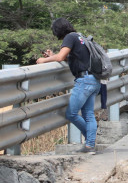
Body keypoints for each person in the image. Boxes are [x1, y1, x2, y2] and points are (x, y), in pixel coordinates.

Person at [36, 18, 101, 154]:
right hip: (94, 79)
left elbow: (60, 58)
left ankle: (91, 140)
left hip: (84, 81)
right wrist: (53, 55)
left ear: (58, 30)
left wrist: (44, 60)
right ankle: (90, 144)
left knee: (71, 114)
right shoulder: (79, 36)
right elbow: (71, 57)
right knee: (88, 114)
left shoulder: (69, 37)